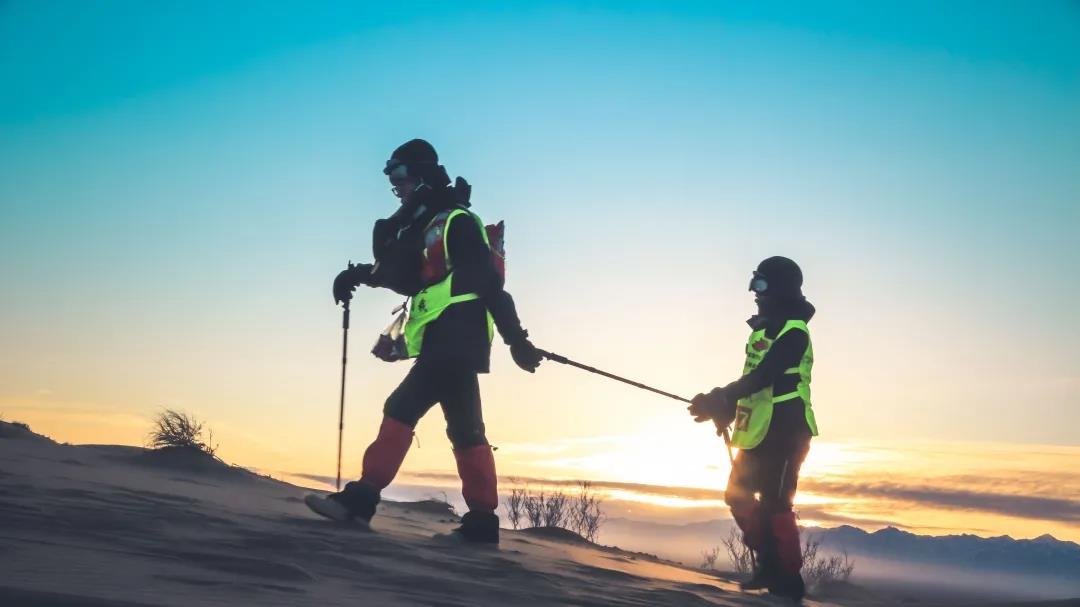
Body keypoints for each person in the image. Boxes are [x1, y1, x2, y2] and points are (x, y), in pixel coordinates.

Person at [306, 139, 543, 544]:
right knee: (467, 430)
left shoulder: (457, 222)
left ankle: (359, 501)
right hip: (452, 340)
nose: (395, 186)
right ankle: (483, 525)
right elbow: (408, 277)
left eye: (400, 176)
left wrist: (517, 340)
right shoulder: (430, 224)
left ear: (421, 176)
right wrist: (357, 275)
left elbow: (490, 285)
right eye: (392, 178)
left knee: (401, 407)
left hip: (456, 336)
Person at [687, 256, 819, 601]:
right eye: (753, 285)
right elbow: (755, 383)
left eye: (760, 285)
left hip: (787, 431)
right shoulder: (763, 331)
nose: (754, 293)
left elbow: (766, 376)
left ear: (779, 290)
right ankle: (770, 563)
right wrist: (725, 408)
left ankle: (788, 580)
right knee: (737, 496)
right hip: (758, 428)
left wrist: (721, 396)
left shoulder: (794, 334)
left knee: (776, 503)